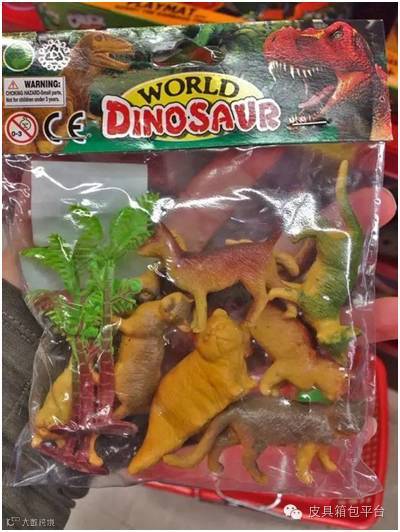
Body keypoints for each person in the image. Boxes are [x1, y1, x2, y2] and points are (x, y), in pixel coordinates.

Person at [2, 184, 398, 530]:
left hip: (170, 388)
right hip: (151, 388)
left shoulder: (186, 333)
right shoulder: (149, 321)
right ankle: (66, 432)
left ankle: (73, 434)